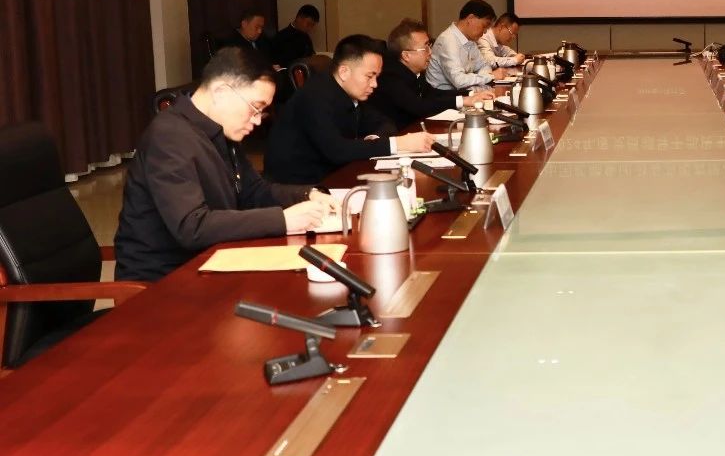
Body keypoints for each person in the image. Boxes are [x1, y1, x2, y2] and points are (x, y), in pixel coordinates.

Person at [114, 48, 332, 282]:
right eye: (255, 108)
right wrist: (284, 220)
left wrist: (307, 194)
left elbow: (254, 191)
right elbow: (191, 227)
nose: (257, 120)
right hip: (164, 282)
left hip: (211, 261)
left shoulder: (219, 130)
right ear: (221, 92)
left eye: (261, 112)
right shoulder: (169, 137)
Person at [265, 34, 430, 184]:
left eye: (376, 77)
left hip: (334, 173)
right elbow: (337, 150)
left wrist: (374, 139)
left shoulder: (350, 92)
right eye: (369, 76)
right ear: (344, 72)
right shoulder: (315, 96)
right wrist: (397, 144)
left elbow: (385, 123)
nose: (374, 84)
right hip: (297, 186)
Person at [371, 18, 495, 130]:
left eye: (429, 45)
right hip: (396, 136)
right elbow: (420, 106)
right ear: (406, 55)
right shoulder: (391, 77)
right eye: (425, 47)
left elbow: (434, 93)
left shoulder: (415, 72)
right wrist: (463, 101)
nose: (430, 52)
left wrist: (471, 94)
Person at [426, 0, 515, 90]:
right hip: (444, 96)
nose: (485, 31)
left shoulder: (470, 40)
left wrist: (482, 78)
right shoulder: (448, 40)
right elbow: (459, 81)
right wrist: (490, 76)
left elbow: (484, 65)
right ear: (470, 19)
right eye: (484, 26)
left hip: (463, 93)